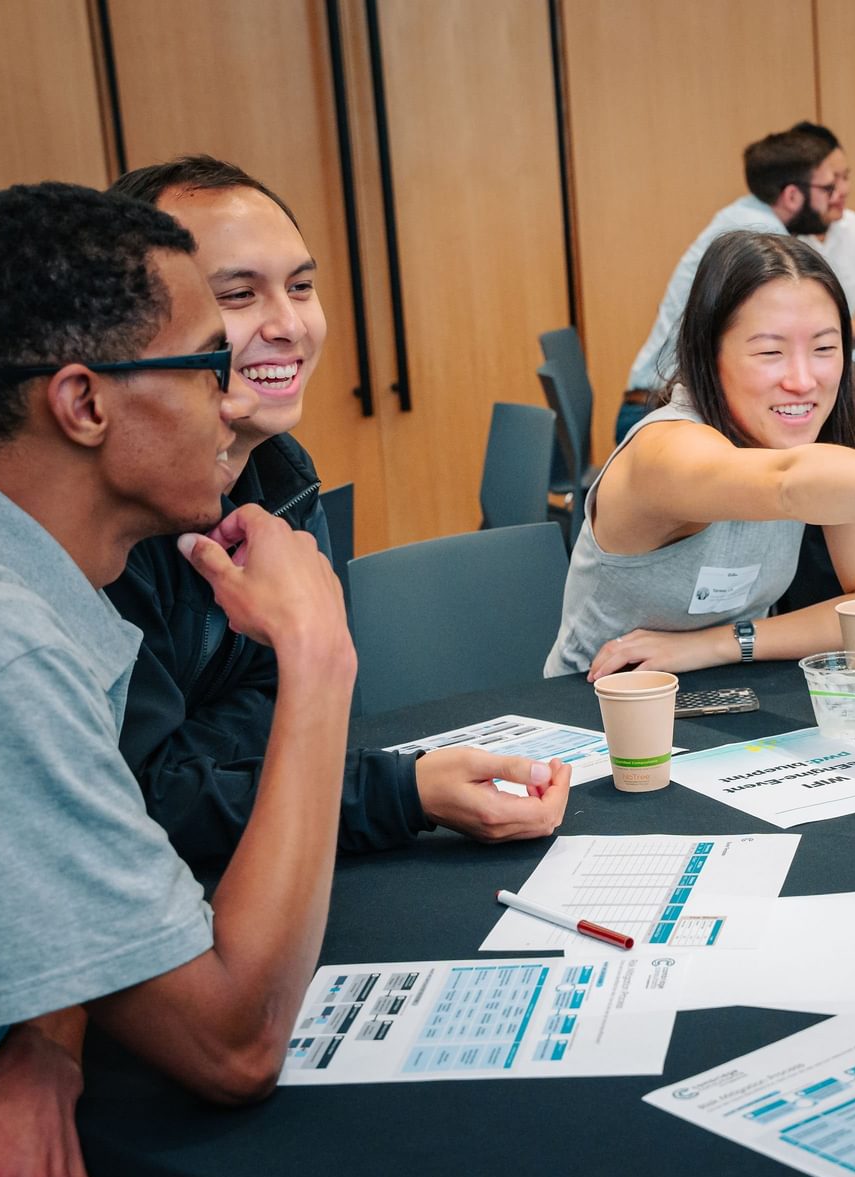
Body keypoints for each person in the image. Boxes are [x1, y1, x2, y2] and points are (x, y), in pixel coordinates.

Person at [0, 182, 364, 1177]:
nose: (233, 396)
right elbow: (237, 1045)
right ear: (85, 403)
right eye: (203, 366)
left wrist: (45, 1041)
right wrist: (318, 656)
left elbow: (33, 865)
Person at [105, 155, 568, 863]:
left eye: (300, 287)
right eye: (238, 295)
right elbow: (142, 801)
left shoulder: (279, 472)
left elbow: (309, 700)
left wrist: (236, 737)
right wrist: (397, 791)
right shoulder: (105, 527)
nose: (289, 324)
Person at [546, 230, 855, 678]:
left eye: (824, 348)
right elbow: (785, 483)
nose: (802, 380)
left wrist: (718, 643)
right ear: (709, 355)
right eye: (770, 353)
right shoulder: (665, 452)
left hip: (729, 701)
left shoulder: (816, 444)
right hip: (596, 712)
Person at [624, 128, 836, 394]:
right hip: (662, 404)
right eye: (828, 188)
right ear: (792, 196)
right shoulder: (758, 235)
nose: (836, 197)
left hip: (668, 396)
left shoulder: (745, 215)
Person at [789, 121, 855, 326]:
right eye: (832, 181)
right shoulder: (778, 234)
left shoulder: (854, 227)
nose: (843, 189)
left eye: (846, 176)